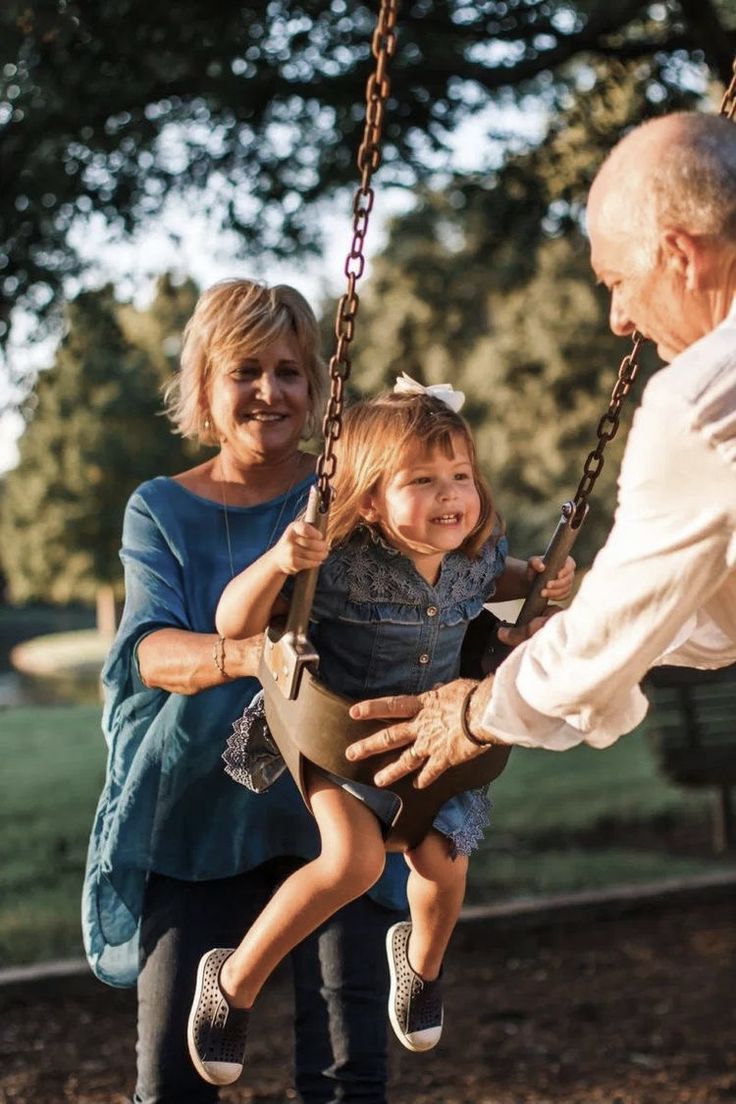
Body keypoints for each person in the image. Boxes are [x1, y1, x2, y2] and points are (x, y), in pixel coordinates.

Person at [186, 382, 575, 1086]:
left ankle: (421, 968)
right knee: (354, 864)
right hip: (339, 743)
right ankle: (233, 982)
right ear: (370, 499)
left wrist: (542, 579)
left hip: (431, 747)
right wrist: (279, 560)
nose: (449, 494)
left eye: (460, 476)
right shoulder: (336, 566)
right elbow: (232, 622)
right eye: (421, 481)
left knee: (444, 867)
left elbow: (498, 581)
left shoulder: (473, 560)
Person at [82, 278, 411, 1104]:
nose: (270, 391)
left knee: (347, 1075)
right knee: (174, 1079)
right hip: (198, 813)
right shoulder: (159, 509)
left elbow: (426, 583)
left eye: (290, 371)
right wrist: (252, 659)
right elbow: (150, 652)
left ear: (316, 387)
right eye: (245, 371)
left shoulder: (349, 494)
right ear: (205, 387)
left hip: (336, 806)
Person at [342, 110, 736, 786]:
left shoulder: (701, 400)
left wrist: (476, 712)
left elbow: (617, 633)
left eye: (617, 281)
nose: (619, 320)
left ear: (680, 256)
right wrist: (577, 631)